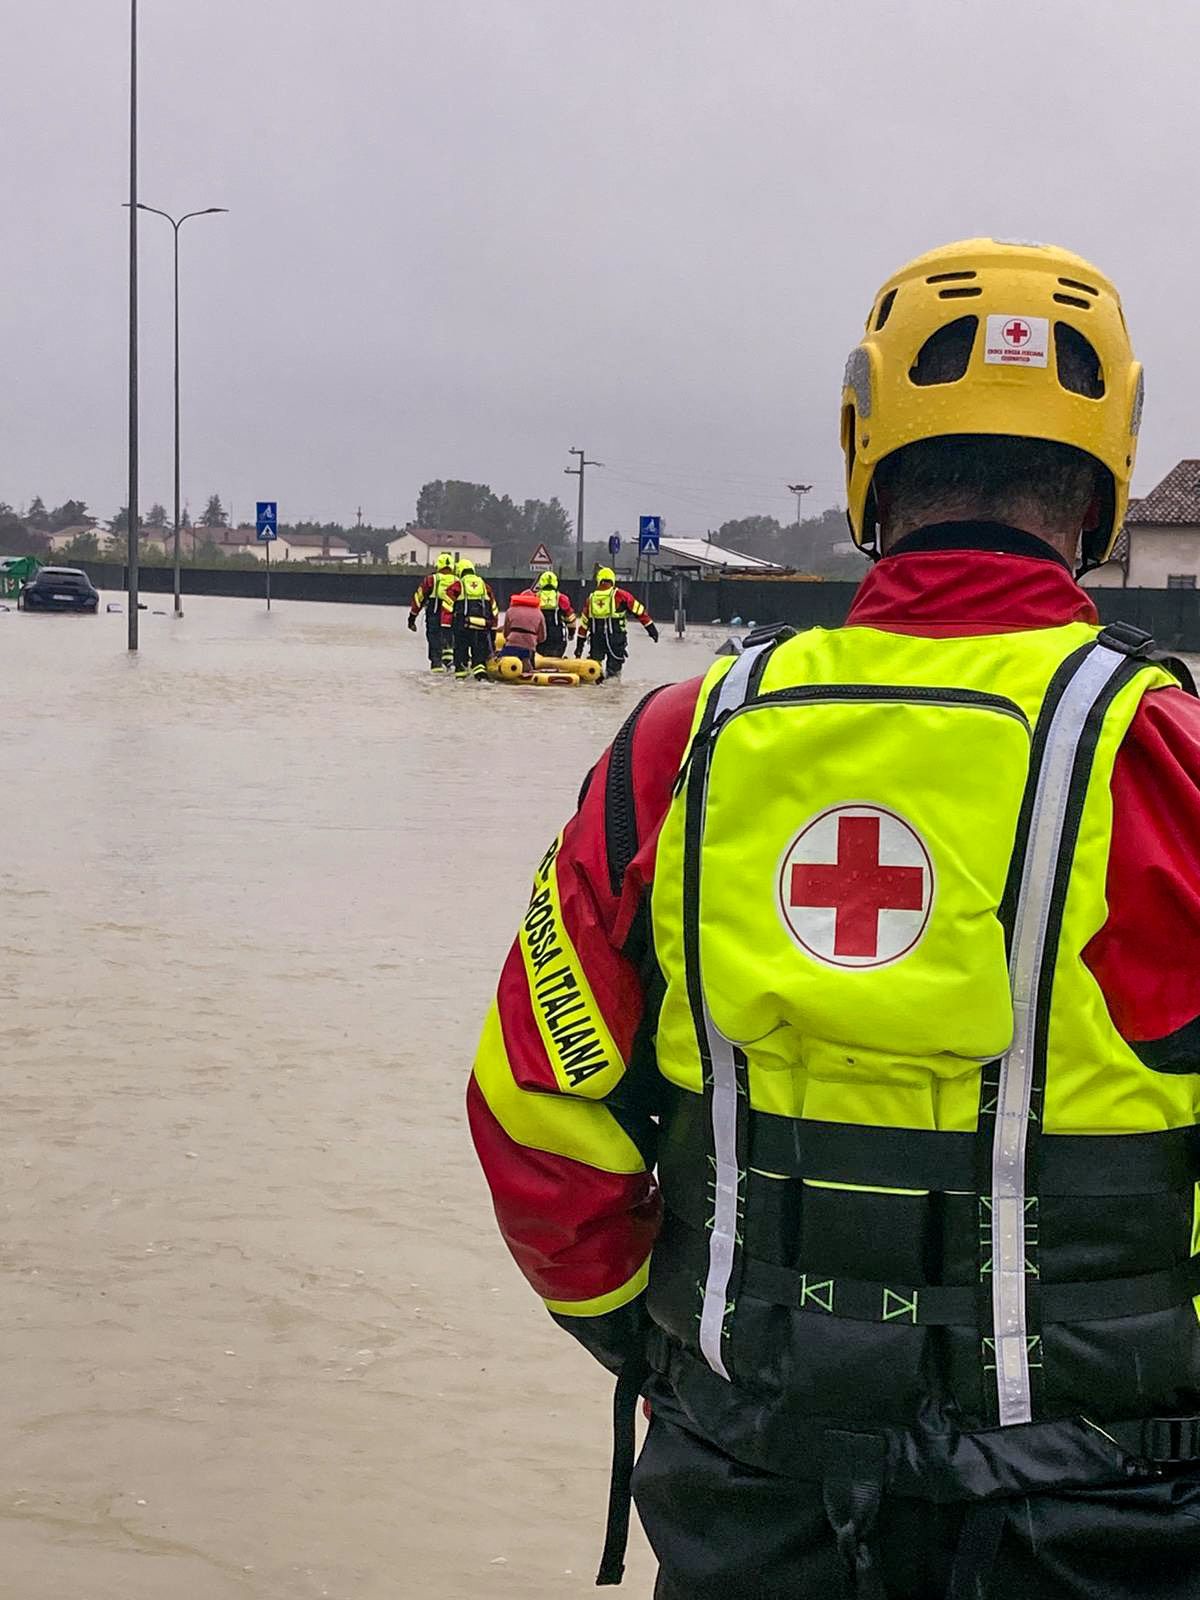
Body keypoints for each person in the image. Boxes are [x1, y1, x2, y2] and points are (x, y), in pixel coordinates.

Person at [468, 238, 1200, 1599]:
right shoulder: (1166, 757)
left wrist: (675, 1356)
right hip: (1110, 1520)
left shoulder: (678, 746)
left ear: (864, 445)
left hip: (749, 1503)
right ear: (1107, 475)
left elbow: (531, 1113)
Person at [575, 567, 658, 678]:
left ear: (599, 580)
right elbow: (639, 612)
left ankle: (597, 686)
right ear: (612, 580)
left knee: (594, 671)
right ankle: (612, 691)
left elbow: (584, 625)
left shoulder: (591, 598)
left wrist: (579, 648)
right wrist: (652, 630)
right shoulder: (620, 595)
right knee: (614, 674)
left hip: (596, 640)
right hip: (616, 639)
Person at [446, 559, 499, 680]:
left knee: (460, 652)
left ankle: (461, 677)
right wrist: (493, 628)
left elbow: (447, 605)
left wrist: (447, 625)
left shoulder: (458, 585)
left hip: (462, 626)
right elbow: (494, 608)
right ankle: (480, 675)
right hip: (482, 626)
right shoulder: (485, 586)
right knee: (479, 654)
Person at [407, 552, 456, 671]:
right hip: (452, 617)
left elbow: (419, 599)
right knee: (450, 644)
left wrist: (412, 619)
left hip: (434, 614)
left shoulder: (431, 579)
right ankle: (450, 665)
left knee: (434, 643)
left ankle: (436, 667)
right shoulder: (457, 580)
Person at [499, 588, 546, 669]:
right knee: (527, 666)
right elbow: (543, 637)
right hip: (529, 646)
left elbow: (506, 633)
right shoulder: (539, 613)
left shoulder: (510, 610)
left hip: (511, 645)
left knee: (505, 664)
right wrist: (534, 640)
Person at [535, 570, 578, 657]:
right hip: (557, 635)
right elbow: (571, 619)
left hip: (539, 634)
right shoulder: (561, 598)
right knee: (556, 656)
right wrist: (571, 634)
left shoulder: (535, 597)